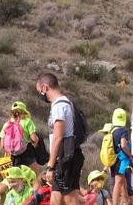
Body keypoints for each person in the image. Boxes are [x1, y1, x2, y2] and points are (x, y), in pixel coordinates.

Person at [36, 74, 83, 205]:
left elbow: (58, 137)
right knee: (57, 197)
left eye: (39, 90)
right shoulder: (66, 103)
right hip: (68, 156)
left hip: (65, 158)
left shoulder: (59, 106)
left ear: (45, 87)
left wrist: (50, 166)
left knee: (69, 198)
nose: (40, 94)